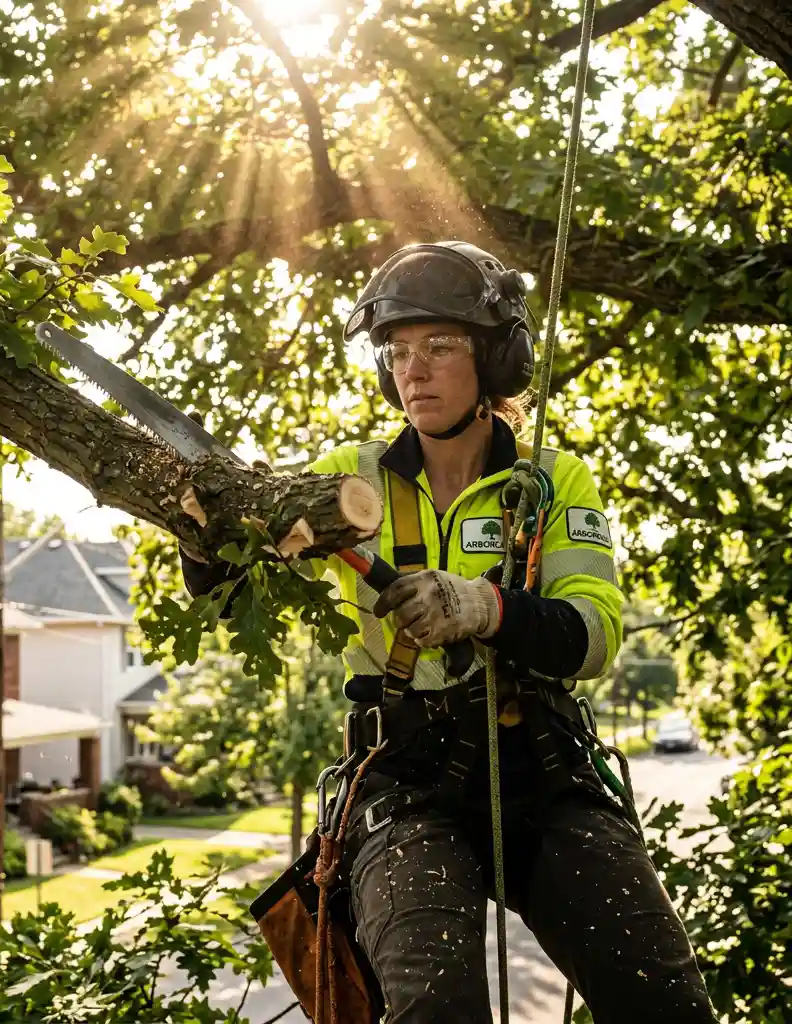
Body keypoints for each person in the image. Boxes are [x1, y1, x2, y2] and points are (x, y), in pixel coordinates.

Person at [182, 242, 716, 1024]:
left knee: (664, 1000)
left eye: (441, 345)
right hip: (402, 779)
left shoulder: (550, 481)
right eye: (397, 351)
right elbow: (234, 599)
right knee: (436, 1005)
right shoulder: (347, 478)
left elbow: (595, 638)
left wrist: (485, 608)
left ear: (498, 358)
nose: (414, 370)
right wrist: (199, 530)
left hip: (539, 768)